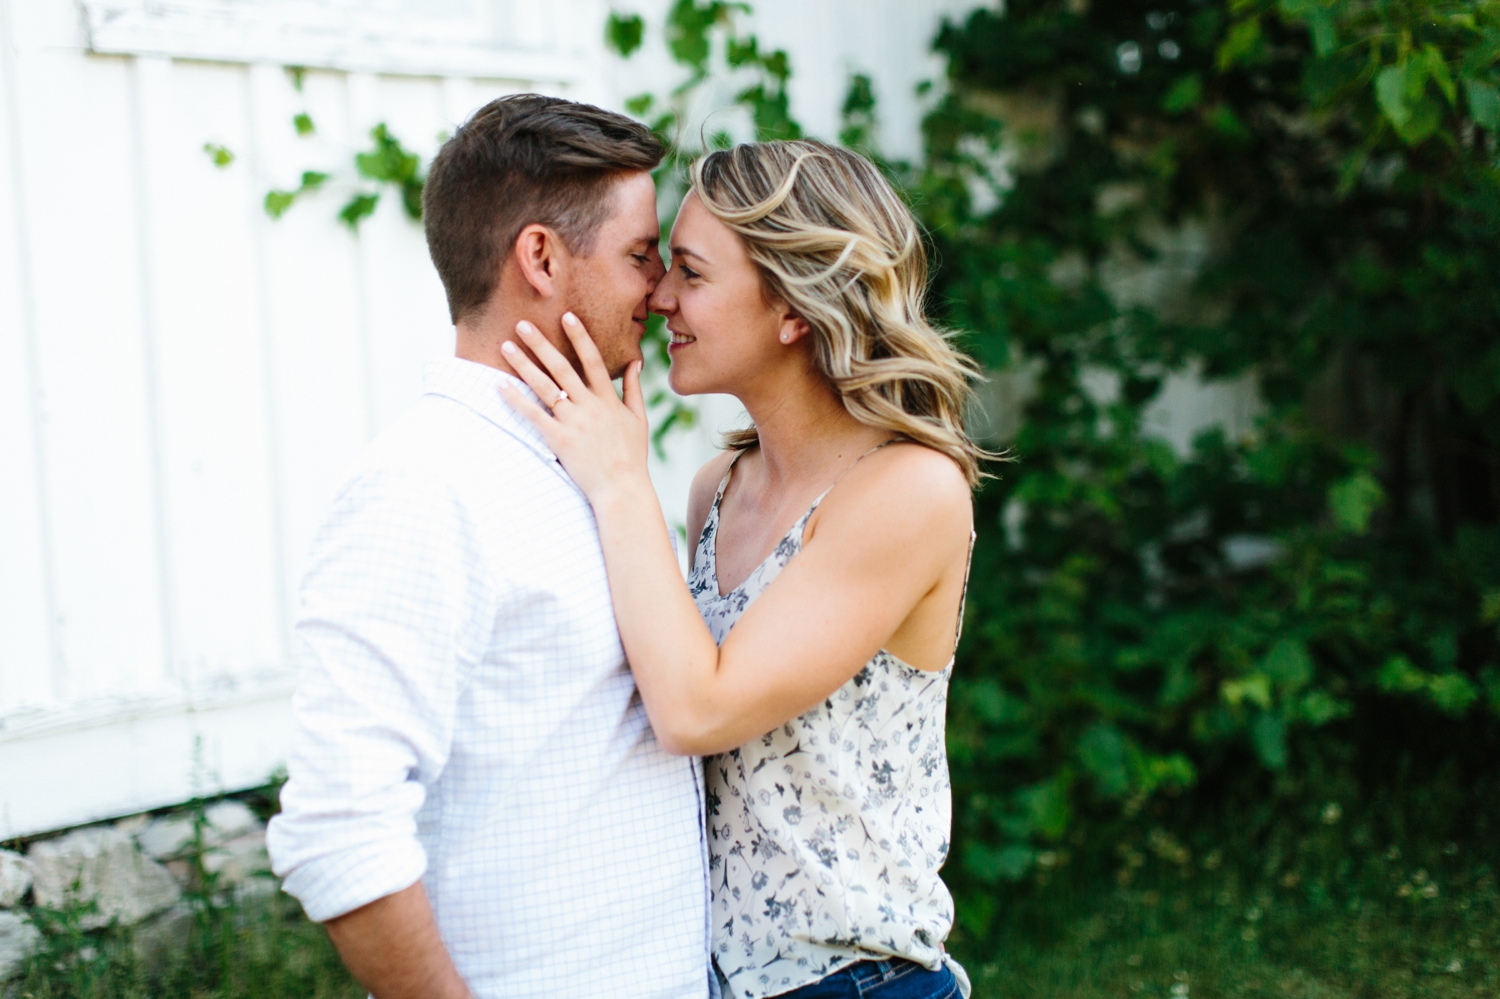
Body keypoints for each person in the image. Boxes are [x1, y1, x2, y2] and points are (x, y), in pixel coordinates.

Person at [498, 139, 987, 999]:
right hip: (714, 977)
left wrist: (618, 478)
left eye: (689, 271)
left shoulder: (909, 491)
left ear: (793, 308)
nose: (657, 298)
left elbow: (697, 709)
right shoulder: (718, 488)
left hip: (855, 982)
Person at [266, 94, 713, 999]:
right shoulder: (423, 486)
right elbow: (338, 828)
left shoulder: (594, 455)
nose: (661, 288)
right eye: (639, 255)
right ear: (541, 257)